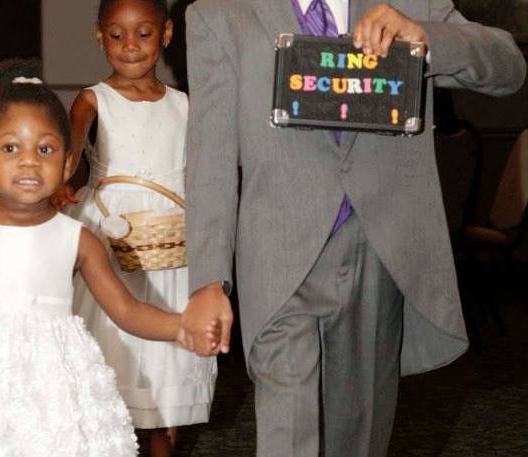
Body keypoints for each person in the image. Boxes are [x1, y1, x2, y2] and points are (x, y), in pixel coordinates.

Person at [181, 1, 527, 457]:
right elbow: (211, 154)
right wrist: (207, 279)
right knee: (285, 436)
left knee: (359, 437)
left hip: (380, 255)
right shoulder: (219, 13)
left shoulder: (408, 4)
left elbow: (509, 67)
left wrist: (424, 38)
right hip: (278, 257)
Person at [0, 59, 219, 457]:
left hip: (53, 392)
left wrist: (179, 326)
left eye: (45, 149)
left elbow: (128, 310)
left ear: (67, 163)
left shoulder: (78, 237)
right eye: (11, 148)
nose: (29, 161)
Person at [53, 2, 218, 455]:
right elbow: (69, 154)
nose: (130, 46)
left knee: (165, 378)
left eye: (143, 35)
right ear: (99, 37)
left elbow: (202, 169)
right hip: (112, 238)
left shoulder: (185, 104)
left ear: (165, 35)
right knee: (114, 360)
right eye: (117, 35)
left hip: (171, 246)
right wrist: (61, 182)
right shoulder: (92, 99)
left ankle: (163, 437)